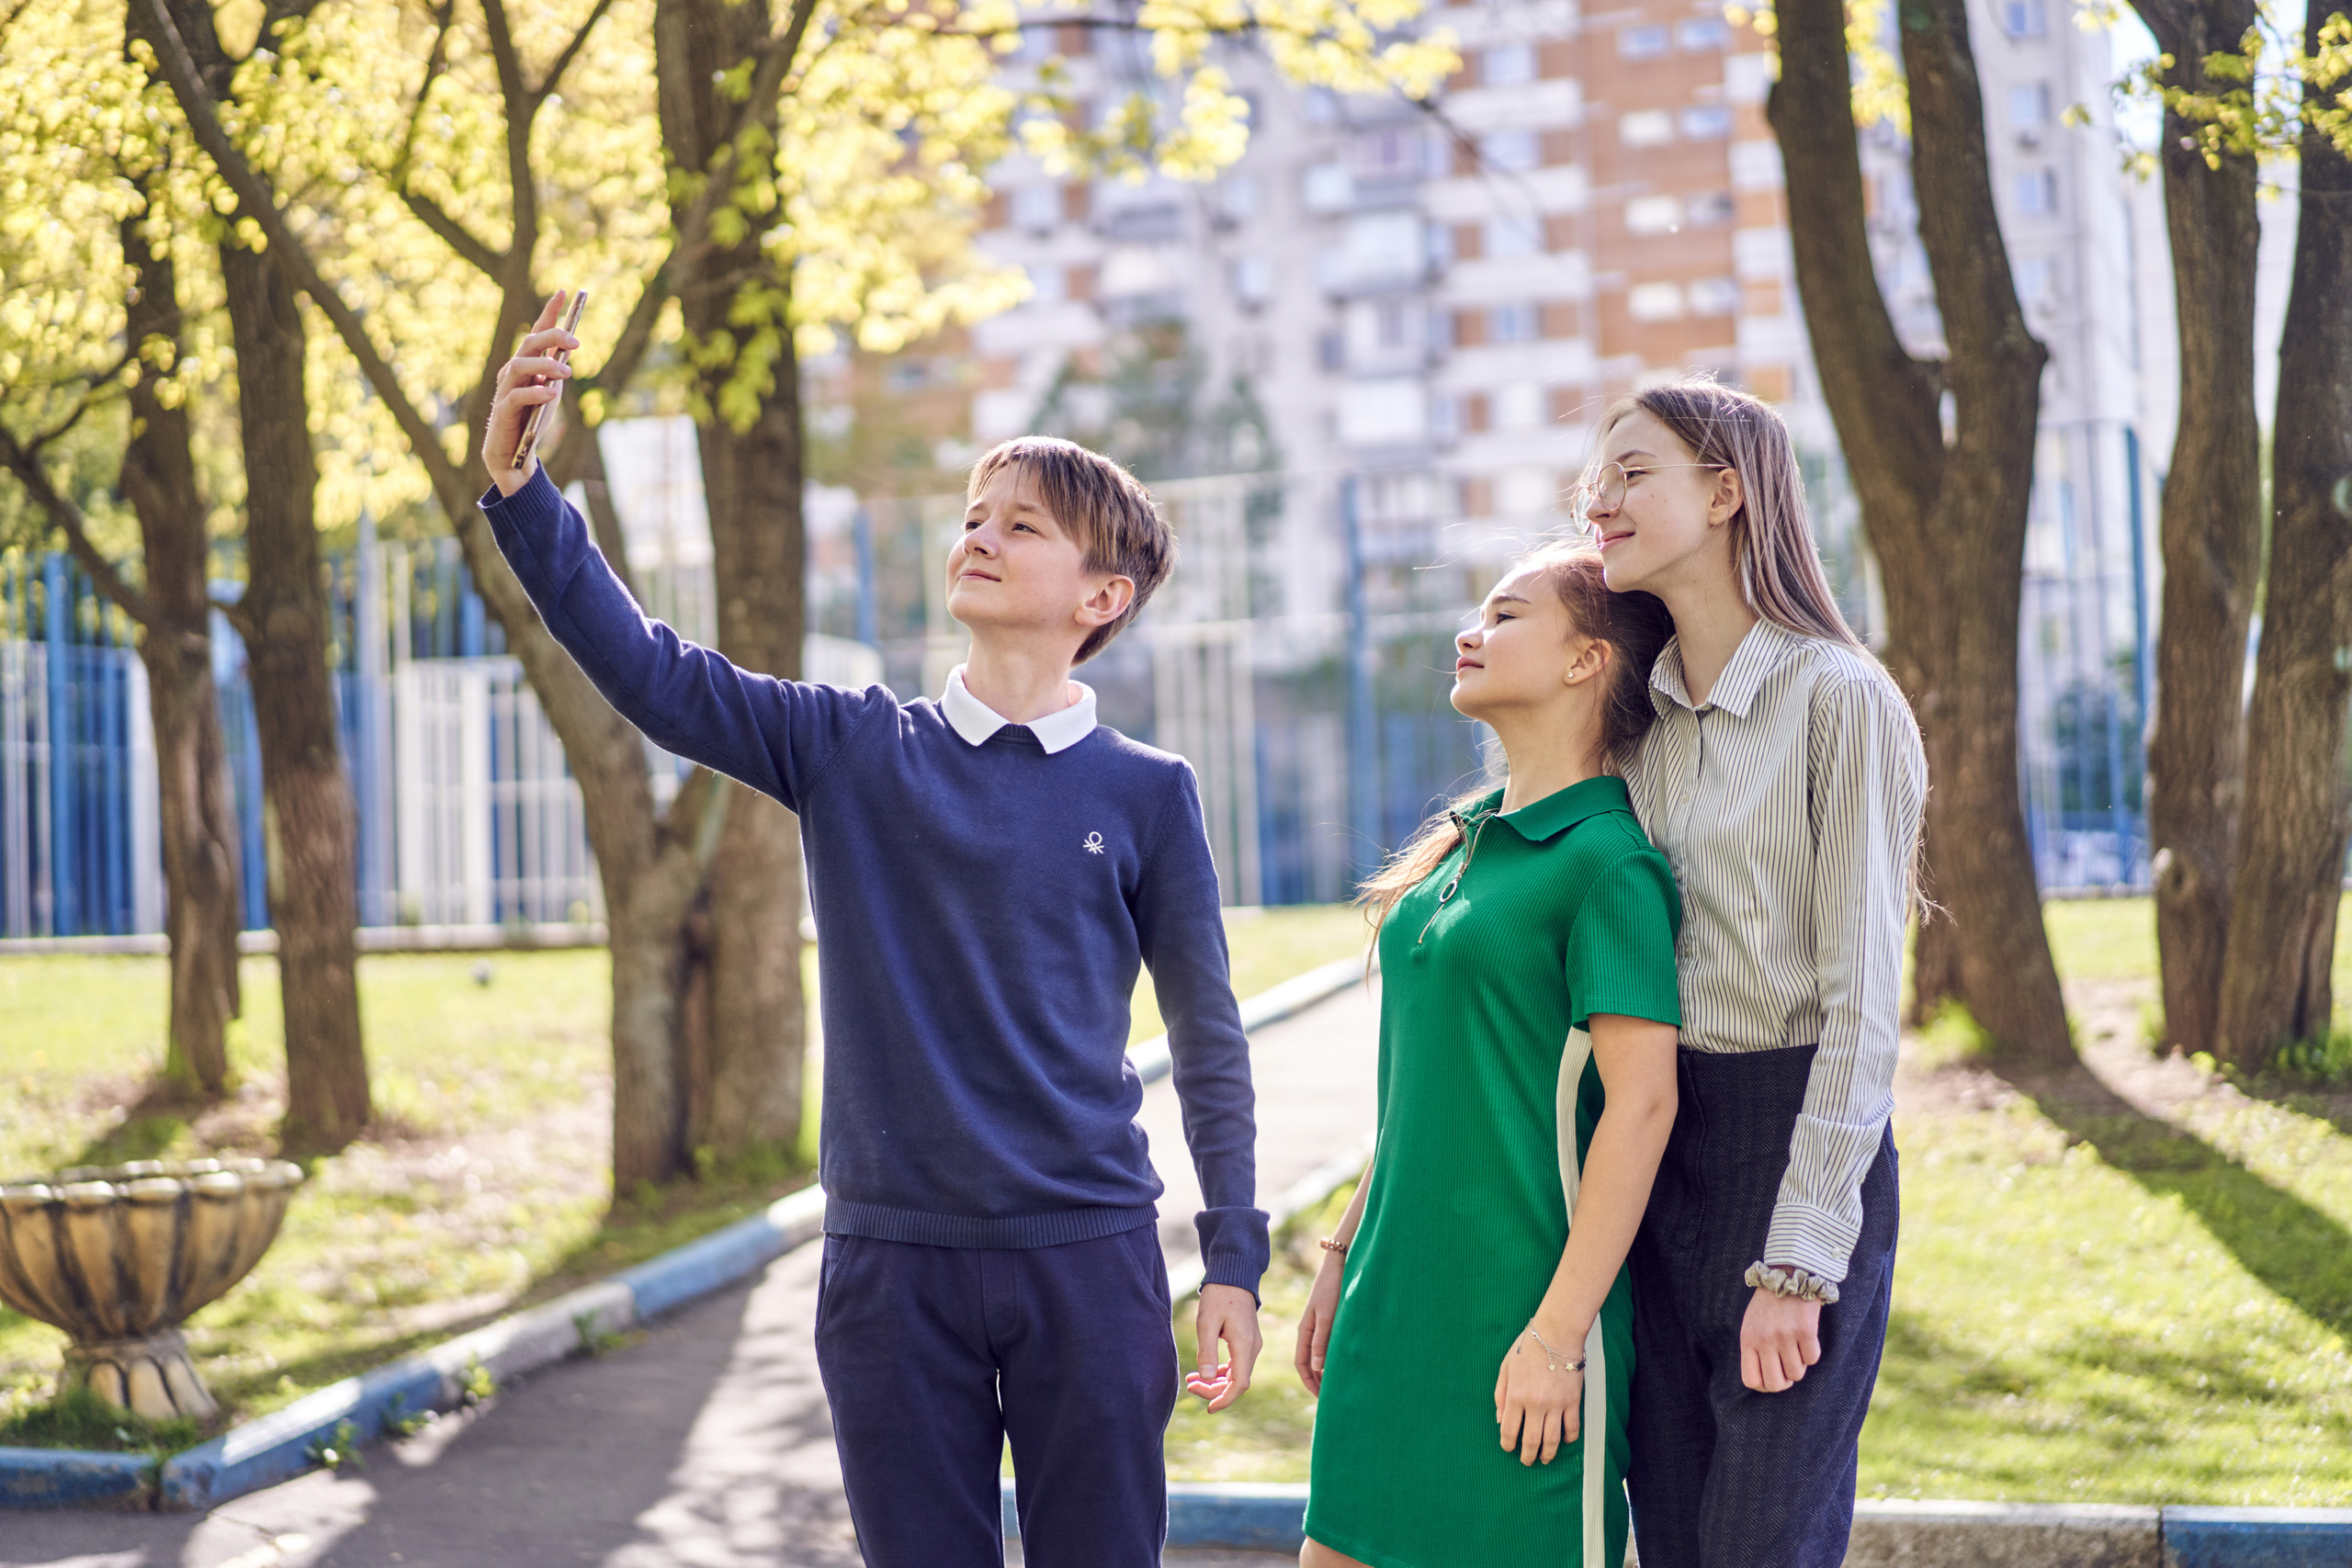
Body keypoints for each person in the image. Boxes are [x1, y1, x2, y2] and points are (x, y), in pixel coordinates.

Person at [480, 293, 1268, 1568]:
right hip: (891, 1268)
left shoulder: (1148, 789)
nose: (981, 536)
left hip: (1093, 1258)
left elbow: (1209, 1034)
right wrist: (525, 489)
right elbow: (651, 670)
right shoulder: (848, 743)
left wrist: (1231, 1250)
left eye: (1024, 524)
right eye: (972, 517)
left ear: (1103, 592)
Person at [1587, 378, 1927, 1567]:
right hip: (1652, 1144)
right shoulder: (1635, 724)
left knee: (1760, 1546)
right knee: (1672, 1542)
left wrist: (1801, 1255)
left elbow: (1862, 1007)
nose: (1601, 499)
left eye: (1633, 472)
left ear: (1726, 492)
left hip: (1791, 1147)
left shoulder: (1840, 699)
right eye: (1597, 478)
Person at [1294, 543, 1684, 1568]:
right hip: (1393, 1301)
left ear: (1583, 661)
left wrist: (1557, 1337)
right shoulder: (1461, 844)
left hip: (1522, 1324)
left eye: (1506, 616)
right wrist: (1343, 1252)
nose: (1470, 633)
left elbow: (1641, 1112)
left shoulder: (1609, 864)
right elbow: (1427, 1087)